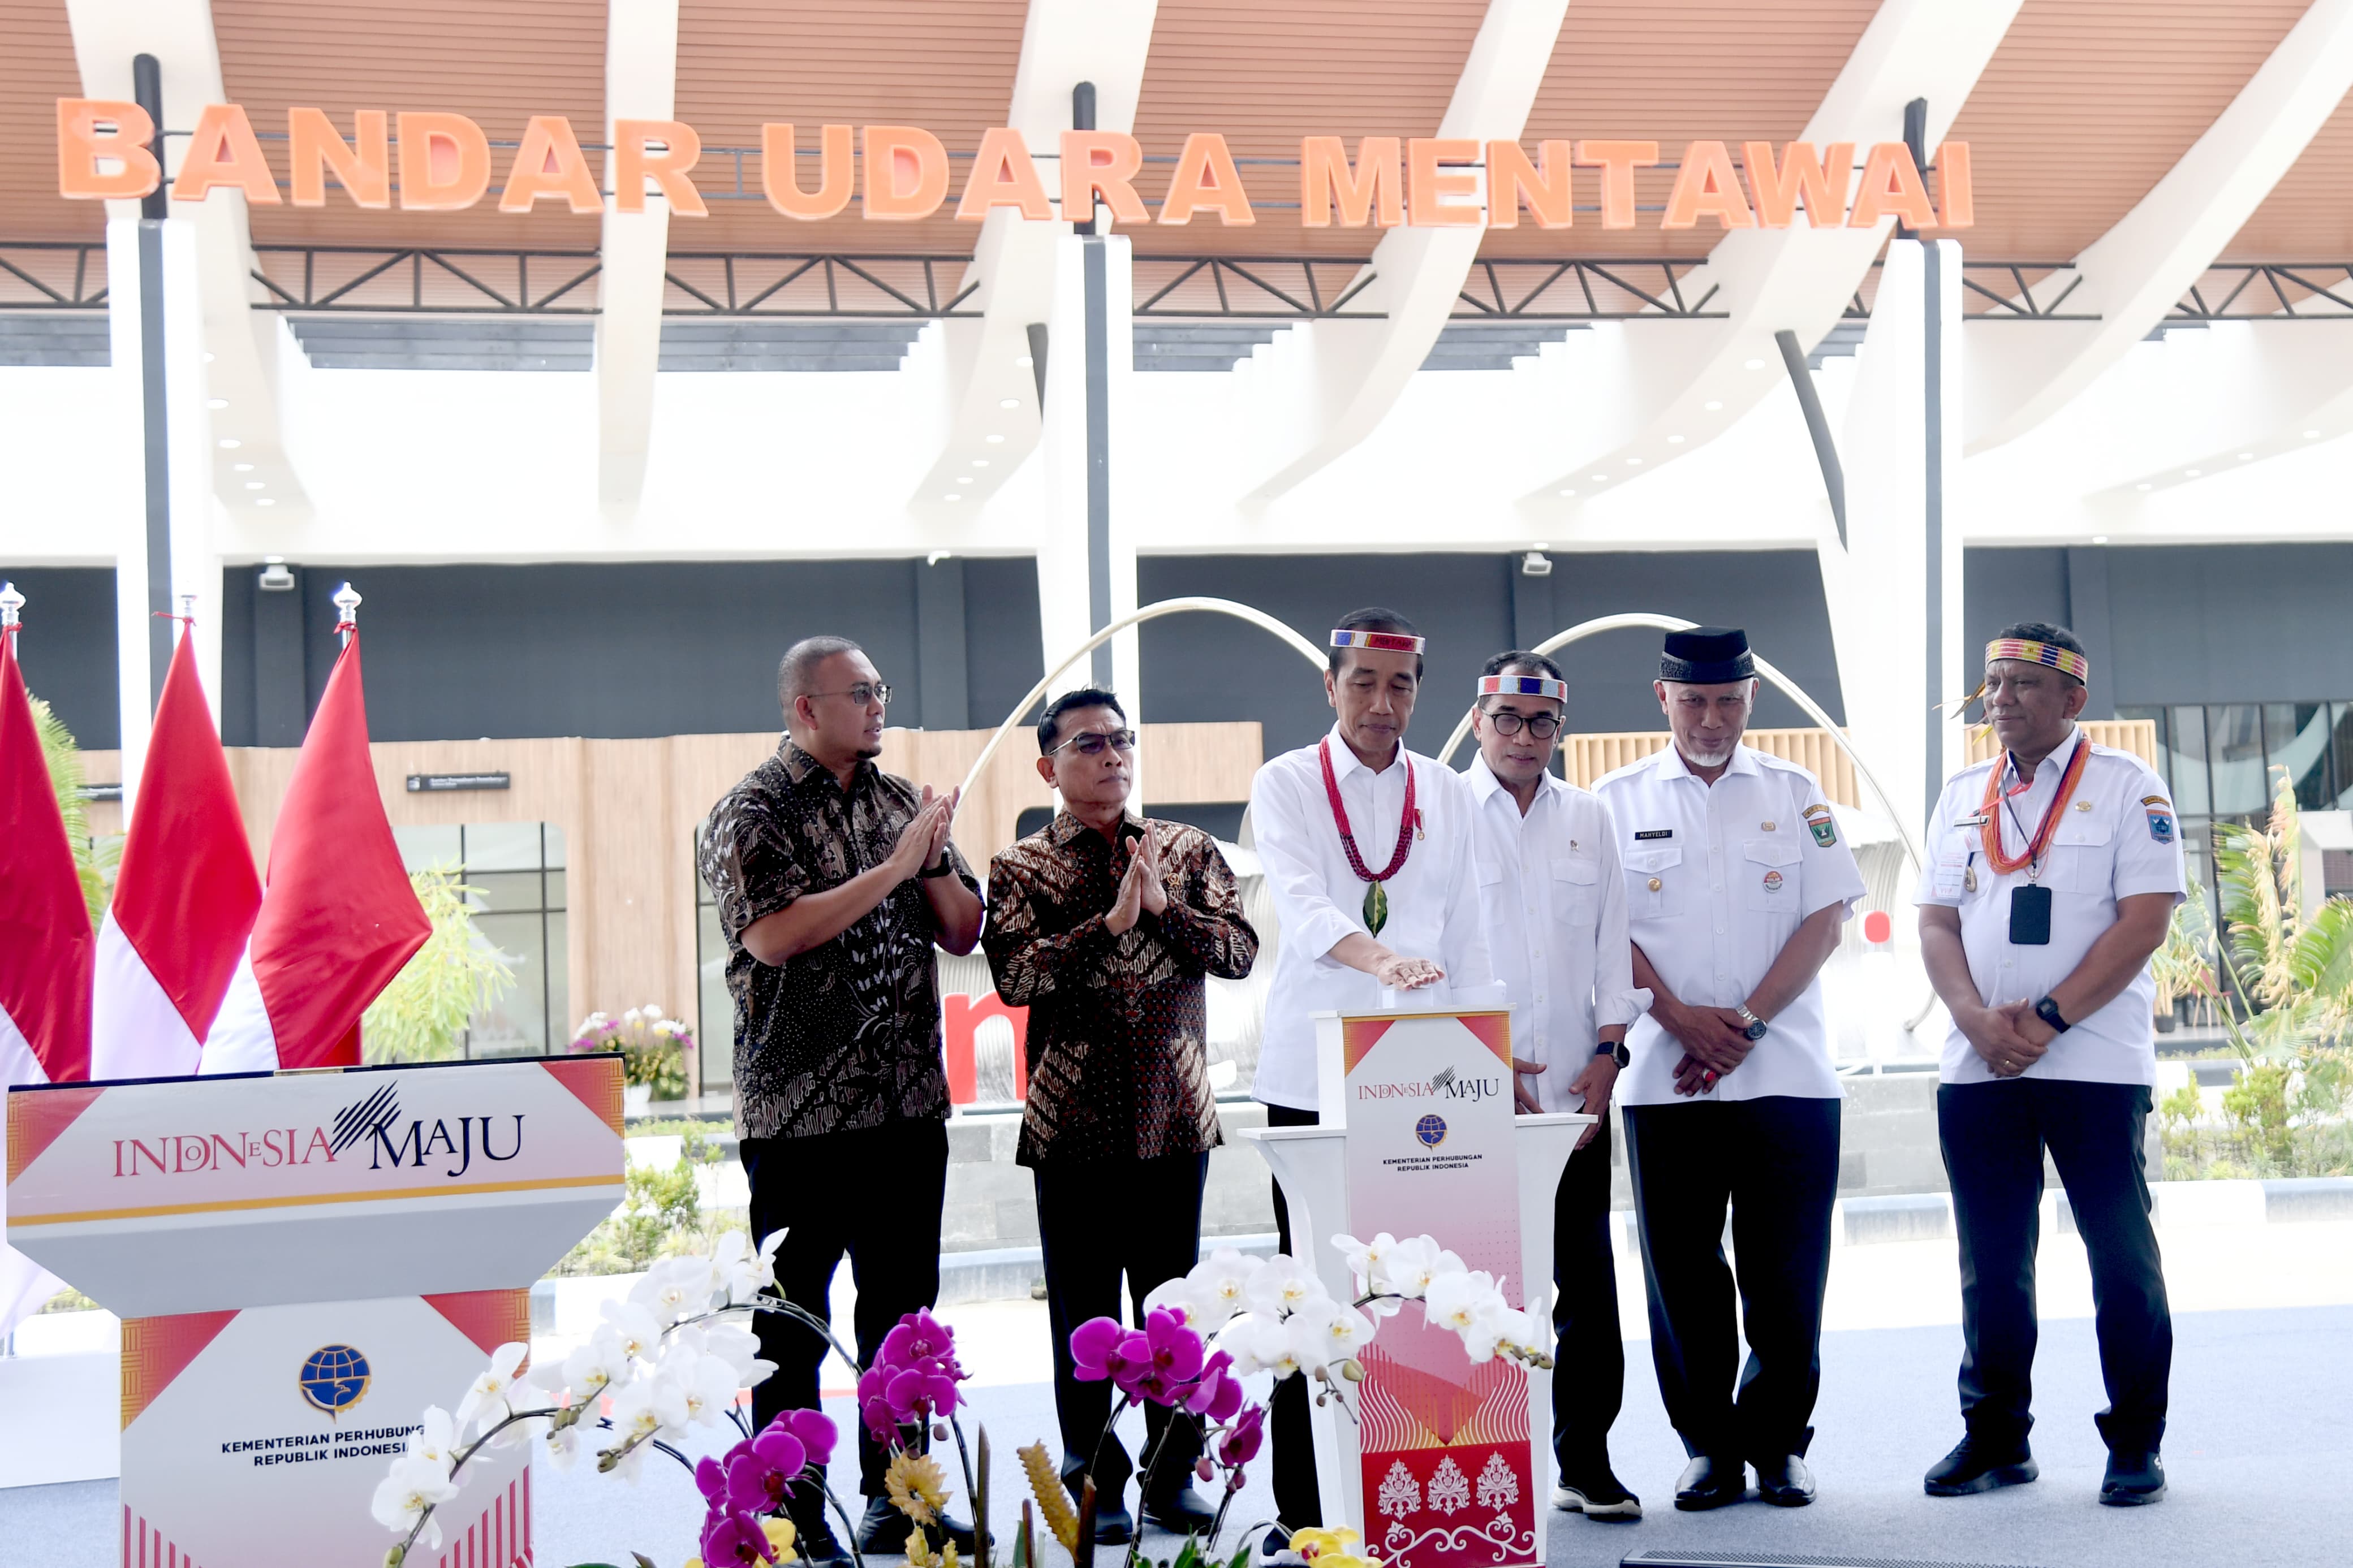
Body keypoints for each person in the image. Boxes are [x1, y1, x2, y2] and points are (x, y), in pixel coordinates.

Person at [697, 636, 986, 1562]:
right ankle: (790, 1510)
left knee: (905, 1318)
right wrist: (893, 870)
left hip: (907, 1105)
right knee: (793, 1324)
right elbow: (778, 936)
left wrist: (930, 858)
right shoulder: (750, 811)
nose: (876, 704)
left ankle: (899, 1500)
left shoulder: (903, 803)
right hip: (802, 1117)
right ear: (803, 707)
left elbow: (962, 929)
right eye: (857, 692)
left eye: (881, 689)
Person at [1591, 627, 1865, 1512]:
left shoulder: (1796, 793)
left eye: (1729, 701)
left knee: (1788, 1272)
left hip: (1786, 1073)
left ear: (1753, 700)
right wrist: (1680, 1020)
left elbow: (1825, 920)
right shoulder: (1614, 800)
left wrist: (1742, 1024)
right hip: (1664, 1079)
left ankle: (1779, 1442)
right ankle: (1710, 1446)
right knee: (1682, 1276)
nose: (1712, 718)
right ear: (1662, 699)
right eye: (1694, 701)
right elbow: (1605, 934)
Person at [983, 688, 1260, 1544]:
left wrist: (1166, 910)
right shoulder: (1020, 866)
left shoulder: (1184, 848)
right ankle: (1091, 1482)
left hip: (1176, 1118)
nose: (1110, 755)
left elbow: (1241, 951)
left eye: (1120, 740)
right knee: (1086, 1317)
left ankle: (1173, 1476)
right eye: (1088, 743)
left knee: (1172, 1313)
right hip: (1071, 1129)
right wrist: (1108, 926)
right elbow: (1017, 979)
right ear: (1049, 765)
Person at [1915, 623, 2182, 1507]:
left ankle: (2135, 1441)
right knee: (1992, 1262)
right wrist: (1970, 1017)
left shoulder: (2127, 788)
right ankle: (1996, 1436)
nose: (2002, 699)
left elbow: (2144, 920)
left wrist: (2053, 1014)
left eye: (2024, 684)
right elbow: (1937, 922)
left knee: (2120, 1255)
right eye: (1993, 683)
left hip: (2094, 1062)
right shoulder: (1961, 793)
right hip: (1979, 1062)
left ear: (2073, 699)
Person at [1247, 606, 1494, 1539]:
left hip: (1430, 1076)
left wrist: (1489, 1047)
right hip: (1316, 1068)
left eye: (1401, 686)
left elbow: (1469, 928)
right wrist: (1379, 960)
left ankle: (1417, 1484)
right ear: (1330, 686)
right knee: (1316, 1282)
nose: (1384, 704)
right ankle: (1304, 1508)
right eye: (1364, 684)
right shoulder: (1285, 783)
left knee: (1427, 1278)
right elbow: (1304, 905)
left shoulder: (1446, 788)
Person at [1462, 651, 1647, 1522]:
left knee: (1588, 1287)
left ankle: (1586, 1458)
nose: (1525, 737)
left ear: (1560, 728)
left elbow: (1615, 942)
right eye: (1508, 719)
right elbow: (1430, 949)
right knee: (1478, 1290)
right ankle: (1478, 1462)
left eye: (1542, 722)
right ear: (1477, 721)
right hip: (1469, 1096)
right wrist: (1479, 1058)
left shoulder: (1591, 815)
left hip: (1578, 1097)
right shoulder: (1444, 812)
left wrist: (1612, 1053)